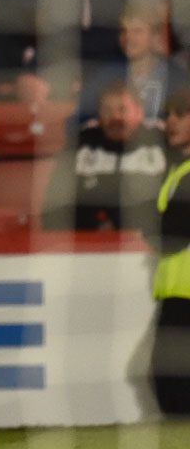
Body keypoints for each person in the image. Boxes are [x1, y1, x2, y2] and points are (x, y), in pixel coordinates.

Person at [42, 81, 167, 232]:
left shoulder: (160, 145)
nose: (115, 117)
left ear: (140, 113)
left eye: (122, 110)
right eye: (107, 110)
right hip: (89, 244)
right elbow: (55, 208)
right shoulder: (81, 146)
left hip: (150, 242)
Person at [77, 5, 190, 126]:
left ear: (155, 36)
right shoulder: (105, 75)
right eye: (124, 30)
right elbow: (82, 117)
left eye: (137, 31)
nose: (128, 37)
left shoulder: (177, 78)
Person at [151, 85, 190, 415]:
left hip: (185, 295)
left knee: (169, 381)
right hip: (177, 292)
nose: (170, 122)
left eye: (181, 114)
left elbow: (170, 232)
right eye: (168, 115)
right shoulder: (179, 171)